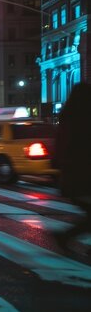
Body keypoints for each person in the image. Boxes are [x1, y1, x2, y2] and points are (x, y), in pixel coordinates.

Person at [52, 82, 91, 251]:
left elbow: (61, 145)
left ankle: (65, 236)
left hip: (74, 172)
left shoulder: (68, 117)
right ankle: (65, 236)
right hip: (83, 173)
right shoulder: (83, 119)